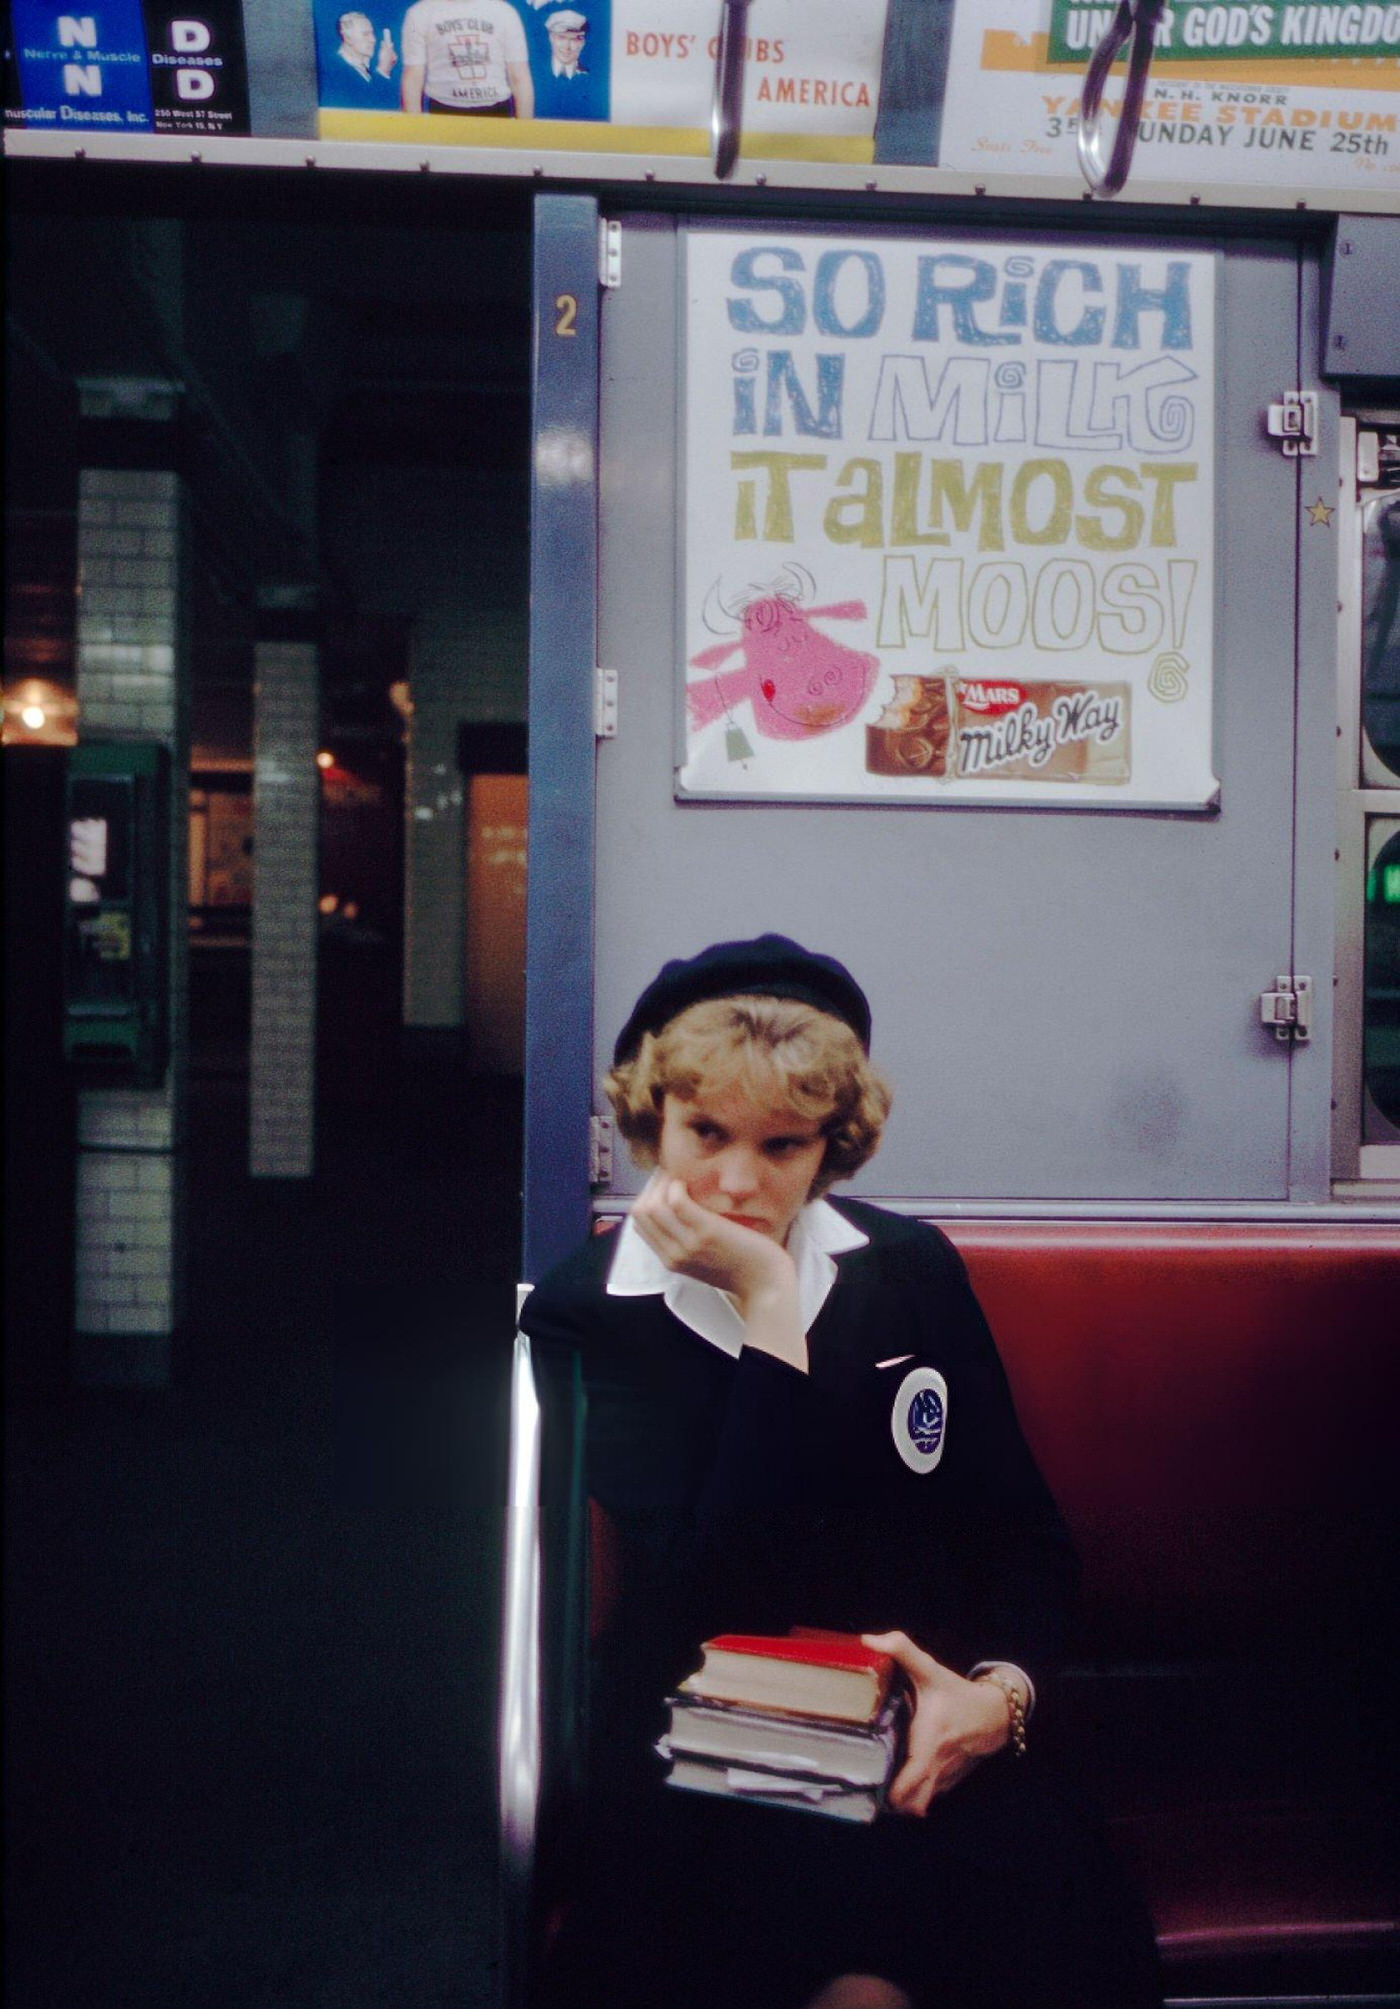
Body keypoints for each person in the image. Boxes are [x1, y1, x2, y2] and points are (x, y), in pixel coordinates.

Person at [520, 935, 1163, 2009]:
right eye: (704, 1132)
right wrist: (768, 1305)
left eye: (781, 1143)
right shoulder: (591, 1310)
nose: (734, 1180)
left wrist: (998, 1695)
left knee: (1013, 1929)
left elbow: (1019, 1535)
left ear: (832, 1145)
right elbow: (721, 1577)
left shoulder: (908, 1269)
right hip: (710, 1741)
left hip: (922, 1727)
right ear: (649, 1120)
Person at [399, 0, 534, 117]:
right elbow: (413, 78)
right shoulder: (420, 13)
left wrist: (526, 133)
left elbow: (519, 77)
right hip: (443, 111)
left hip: (497, 111)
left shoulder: (505, 13)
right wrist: (415, 130)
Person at [321, 9, 399, 108]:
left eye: (372, 33)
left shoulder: (367, 66)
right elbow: (370, 107)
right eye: (365, 34)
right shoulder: (333, 72)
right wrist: (383, 70)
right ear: (347, 38)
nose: (373, 40)